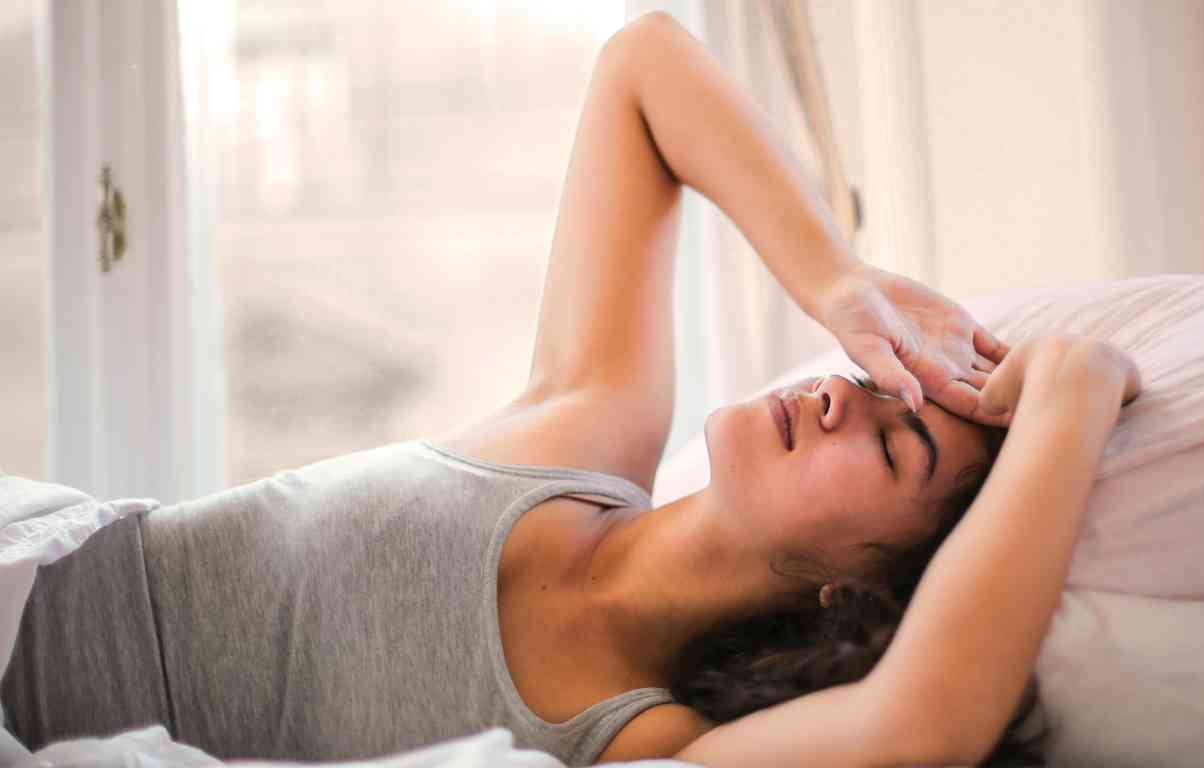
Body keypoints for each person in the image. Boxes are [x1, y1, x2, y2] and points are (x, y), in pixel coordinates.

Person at [0, 12, 1139, 768]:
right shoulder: (583, 430)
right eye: (875, 379)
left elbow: (925, 721)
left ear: (855, 590)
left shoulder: (640, 741)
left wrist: (1072, 396)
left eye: (893, 448)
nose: (849, 393)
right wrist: (837, 279)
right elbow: (644, 64)